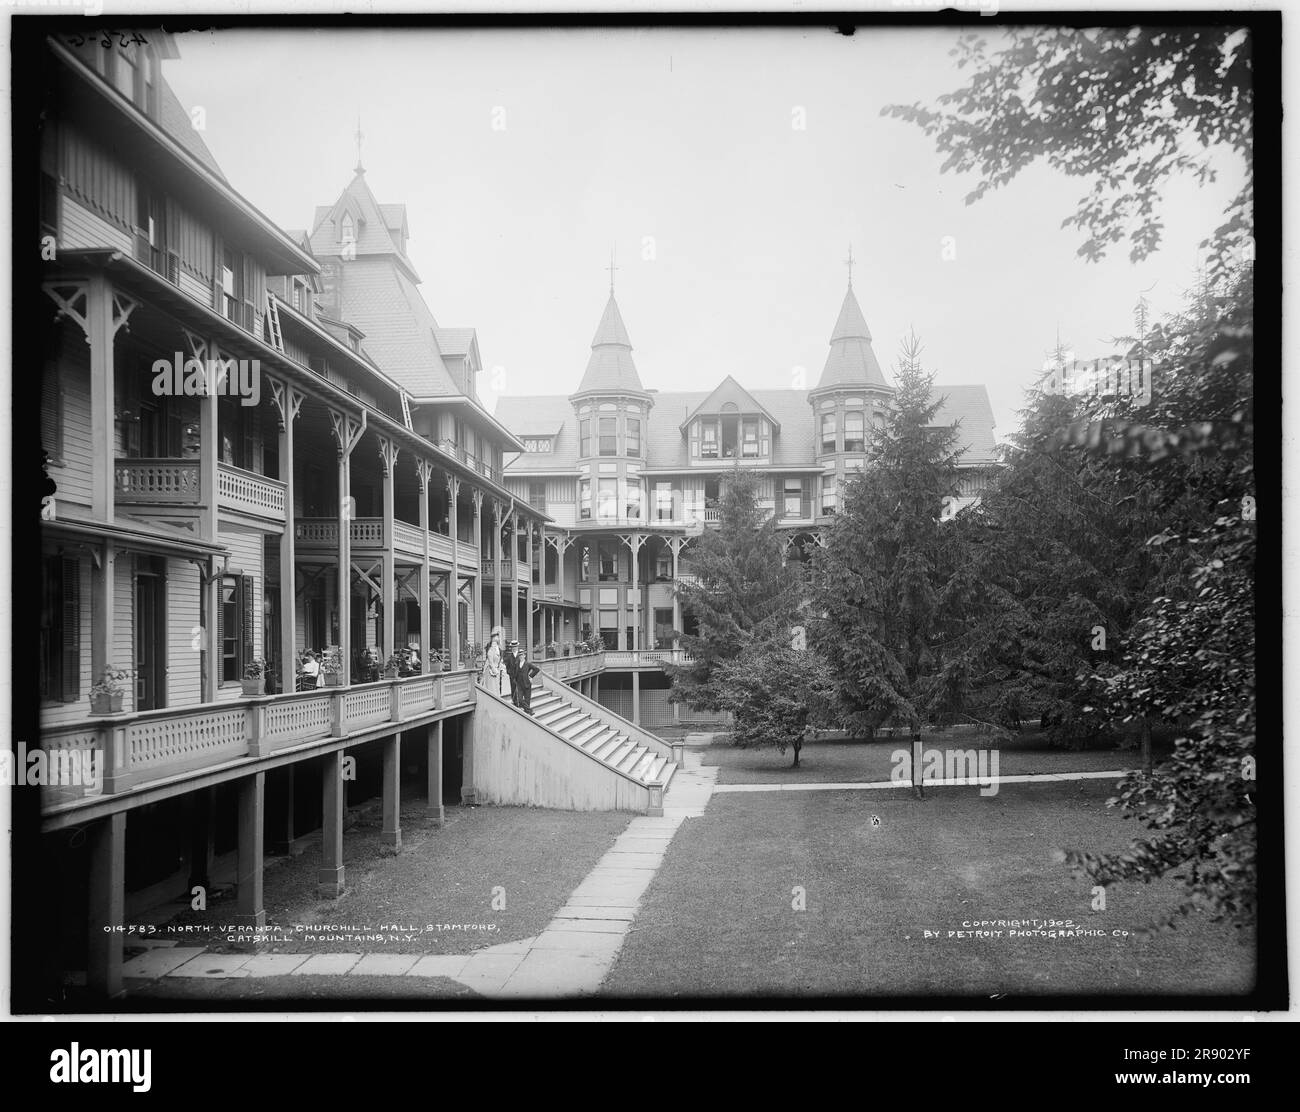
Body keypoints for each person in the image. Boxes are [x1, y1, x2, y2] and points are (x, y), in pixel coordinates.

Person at [482, 626, 511, 698]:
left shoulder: (499, 650)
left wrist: (503, 669)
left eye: (498, 638)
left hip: (497, 670)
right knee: (491, 688)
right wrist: (493, 669)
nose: (497, 639)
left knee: (496, 687)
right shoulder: (491, 649)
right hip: (490, 670)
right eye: (495, 638)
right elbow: (490, 661)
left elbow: (500, 661)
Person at [516, 650, 540, 715]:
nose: (521, 656)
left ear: (524, 656)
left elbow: (537, 669)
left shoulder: (528, 664)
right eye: (520, 655)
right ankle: (530, 711)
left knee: (527, 700)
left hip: (527, 684)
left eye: (522, 655)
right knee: (520, 699)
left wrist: (530, 676)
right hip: (519, 684)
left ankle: (528, 715)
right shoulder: (517, 664)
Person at [504, 639, 523, 707]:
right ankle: (515, 703)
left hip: (520, 676)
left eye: (515, 647)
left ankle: (520, 703)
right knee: (513, 688)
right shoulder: (509, 656)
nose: (514, 648)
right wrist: (510, 674)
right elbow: (507, 666)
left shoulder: (521, 655)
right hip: (512, 676)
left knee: (520, 689)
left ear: (517, 647)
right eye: (512, 647)